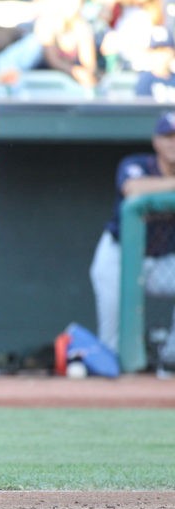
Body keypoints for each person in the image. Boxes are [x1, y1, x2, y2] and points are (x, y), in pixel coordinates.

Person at [89, 111, 175, 357]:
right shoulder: (136, 164)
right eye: (168, 136)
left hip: (161, 262)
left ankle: (171, 357)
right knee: (111, 342)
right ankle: (118, 389)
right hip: (118, 256)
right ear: (156, 141)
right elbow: (132, 188)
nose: (173, 143)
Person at [135, 27, 175, 101]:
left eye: (164, 50)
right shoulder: (145, 80)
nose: (160, 55)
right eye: (157, 50)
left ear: (173, 52)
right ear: (150, 52)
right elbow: (142, 109)